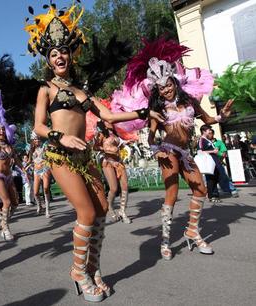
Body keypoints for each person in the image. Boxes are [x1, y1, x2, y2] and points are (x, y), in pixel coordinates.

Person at [0, 4, 164, 302]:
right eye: (53, 53)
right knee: (86, 212)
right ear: (48, 59)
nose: (59, 56)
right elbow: (38, 126)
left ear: (71, 54)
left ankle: (93, 269)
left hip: (85, 158)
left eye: (63, 51)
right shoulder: (45, 89)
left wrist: (144, 110)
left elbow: (109, 117)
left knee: (100, 212)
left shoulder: (82, 89)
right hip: (59, 156)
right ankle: (77, 272)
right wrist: (61, 136)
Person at [123, 38, 235, 260]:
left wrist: (222, 116)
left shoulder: (190, 101)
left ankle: (192, 231)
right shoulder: (158, 109)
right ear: (158, 89)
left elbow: (207, 119)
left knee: (200, 190)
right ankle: (165, 242)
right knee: (172, 193)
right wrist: (157, 150)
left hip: (185, 152)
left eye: (169, 85)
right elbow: (152, 138)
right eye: (161, 87)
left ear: (174, 82)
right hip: (168, 151)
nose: (166, 90)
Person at [93, 122, 131, 223]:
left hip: (118, 161)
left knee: (125, 186)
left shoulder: (116, 132)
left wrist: (125, 145)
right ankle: (110, 207)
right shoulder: (101, 133)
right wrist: (105, 149)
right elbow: (95, 147)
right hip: (107, 161)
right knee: (114, 188)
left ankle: (122, 212)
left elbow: (120, 145)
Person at [28, 132, 52, 218]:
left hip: (45, 169)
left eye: (38, 139)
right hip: (36, 171)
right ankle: (40, 206)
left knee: (45, 188)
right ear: (33, 141)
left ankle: (47, 210)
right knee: (35, 192)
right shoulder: (31, 150)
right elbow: (30, 160)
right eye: (35, 139)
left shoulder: (44, 147)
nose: (37, 140)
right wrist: (26, 167)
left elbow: (49, 157)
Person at [210, 129, 238, 198]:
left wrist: (217, 154)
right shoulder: (205, 143)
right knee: (210, 180)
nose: (208, 134)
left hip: (218, 164)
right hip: (209, 165)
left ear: (213, 134)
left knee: (224, 177)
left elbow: (224, 154)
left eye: (210, 133)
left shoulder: (219, 142)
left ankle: (232, 189)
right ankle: (213, 194)